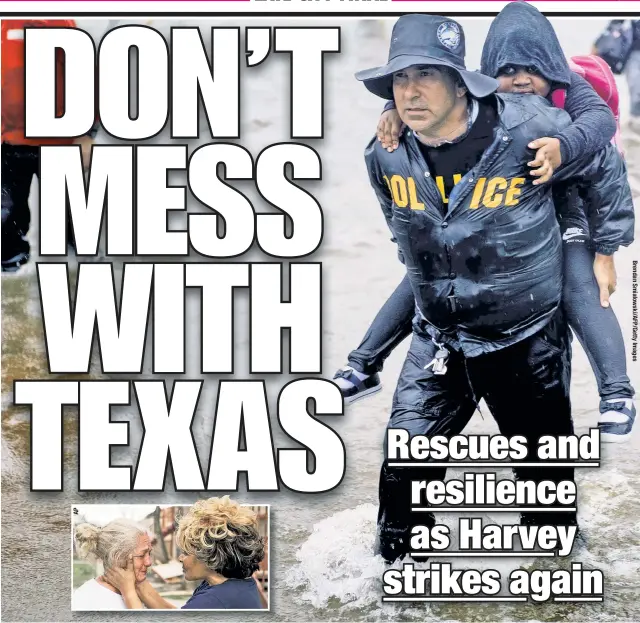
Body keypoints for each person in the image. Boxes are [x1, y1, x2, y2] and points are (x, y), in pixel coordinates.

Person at [354, 13, 634, 563]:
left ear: (460, 82)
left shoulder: (541, 121)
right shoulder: (384, 150)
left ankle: (617, 393)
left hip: (527, 330)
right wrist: (394, 112)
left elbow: (602, 151)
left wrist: (607, 246)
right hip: (442, 337)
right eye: (400, 81)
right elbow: (403, 236)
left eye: (427, 77)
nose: (410, 92)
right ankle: (396, 580)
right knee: (401, 472)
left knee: (548, 512)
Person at [1, 19, 96, 273]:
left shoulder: (61, 23)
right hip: (9, 142)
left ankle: (82, 260)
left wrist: (87, 133)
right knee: (6, 208)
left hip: (59, 141)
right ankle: (9, 260)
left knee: (69, 205)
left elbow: (84, 79)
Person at [104, 497, 265, 610]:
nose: (180, 558)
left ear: (210, 556)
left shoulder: (214, 600)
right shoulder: (233, 583)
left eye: (186, 552)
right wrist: (139, 584)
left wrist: (128, 592)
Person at [73, 519, 153, 611]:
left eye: (149, 553)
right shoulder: (85, 600)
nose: (149, 562)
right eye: (141, 555)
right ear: (117, 557)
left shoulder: (139, 590)